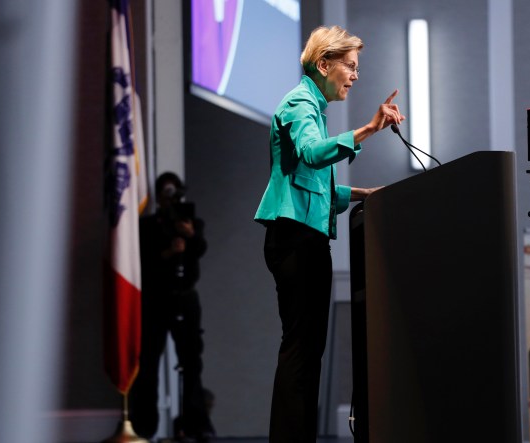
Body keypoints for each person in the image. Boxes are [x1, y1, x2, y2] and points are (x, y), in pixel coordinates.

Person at [253, 25, 405, 442]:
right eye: (350, 67)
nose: (355, 76)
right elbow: (312, 154)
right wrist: (369, 129)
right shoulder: (300, 103)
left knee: (306, 352)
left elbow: (316, 188)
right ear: (324, 64)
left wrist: (364, 194)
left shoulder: (312, 107)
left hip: (303, 237)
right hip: (296, 241)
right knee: (301, 352)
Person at [130, 172, 216, 441]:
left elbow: (200, 249)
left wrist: (189, 237)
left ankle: (193, 424)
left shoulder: (192, 222)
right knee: (148, 364)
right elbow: (141, 261)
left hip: (185, 297)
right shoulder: (147, 227)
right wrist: (167, 252)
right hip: (155, 300)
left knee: (192, 362)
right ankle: (144, 426)